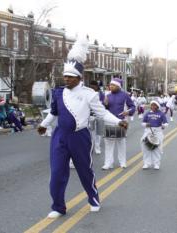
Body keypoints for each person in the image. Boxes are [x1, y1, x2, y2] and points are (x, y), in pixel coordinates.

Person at [37, 37, 127, 219]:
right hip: (60, 137)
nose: (67, 80)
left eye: (70, 77)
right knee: (57, 173)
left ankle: (93, 198)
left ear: (79, 78)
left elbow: (102, 114)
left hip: (80, 137)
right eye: (65, 77)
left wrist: (118, 121)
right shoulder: (58, 92)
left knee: (85, 170)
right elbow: (53, 113)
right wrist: (43, 125)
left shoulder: (89, 94)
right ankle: (58, 206)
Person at [102, 77, 135, 170]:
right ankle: (108, 163)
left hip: (121, 122)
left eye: (112, 85)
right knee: (108, 144)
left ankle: (122, 162)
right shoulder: (107, 96)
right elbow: (103, 108)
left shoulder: (125, 95)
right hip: (109, 122)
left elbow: (133, 107)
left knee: (121, 143)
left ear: (118, 86)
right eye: (110, 85)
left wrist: (128, 112)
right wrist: (104, 104)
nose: (110, 86)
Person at [141, 101, 168, 170]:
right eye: (152, 105)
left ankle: (156, 164)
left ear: (157, 106)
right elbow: (143, 123)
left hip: (158, 132)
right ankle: (147, 163)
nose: (152, 106)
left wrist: (163, 126)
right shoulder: (147, 113)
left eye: (154, 105)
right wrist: (146, 124)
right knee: (145, 147)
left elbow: (166, 123)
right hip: (148, 131)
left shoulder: (161, 114)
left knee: (157, 149)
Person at [89, 80, 105, 154]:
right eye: (91, 86)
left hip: (99, 116)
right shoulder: (88, 93)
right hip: (90, 116)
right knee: (91, 132)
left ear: (96, 86)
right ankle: (91, 147)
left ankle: (97, 147)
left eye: (93, 86)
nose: (92, 87)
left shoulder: (101, 94)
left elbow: (104, 104)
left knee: (99, 133)